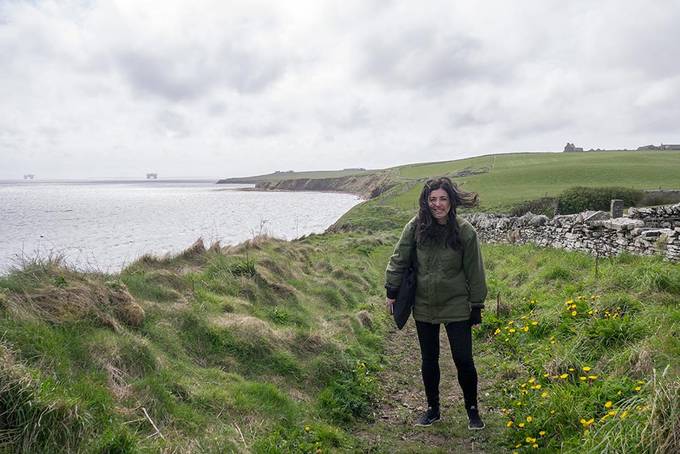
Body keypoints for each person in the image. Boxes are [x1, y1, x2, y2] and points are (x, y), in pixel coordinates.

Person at [385, 176, 487, 430]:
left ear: (451, 201)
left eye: (443, 199)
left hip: (456, 305)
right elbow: (399, 258)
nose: (437, 204)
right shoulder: (415, 227)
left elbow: (476, 271)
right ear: (425, 201)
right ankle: (433, 409)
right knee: (428, 359)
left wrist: (476, 305)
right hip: (424, 304)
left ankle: (472, 410)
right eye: (432, 199)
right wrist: (392, 289)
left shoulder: (465, 232)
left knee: (463, 360)